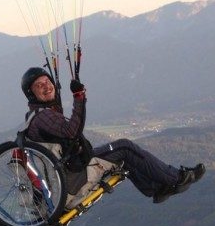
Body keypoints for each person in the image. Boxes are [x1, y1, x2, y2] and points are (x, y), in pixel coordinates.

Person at [20, 67, 205, 204]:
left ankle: (158, 188)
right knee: (124, 147)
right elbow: (71, 131)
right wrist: (79, 97)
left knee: (120, 156)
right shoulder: (44, 116)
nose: (46, 86)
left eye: (47, 82)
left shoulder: (39, 115)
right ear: (32, 94)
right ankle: (177, 178)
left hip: (67, 176)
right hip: (73, 179)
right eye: (39, 85)